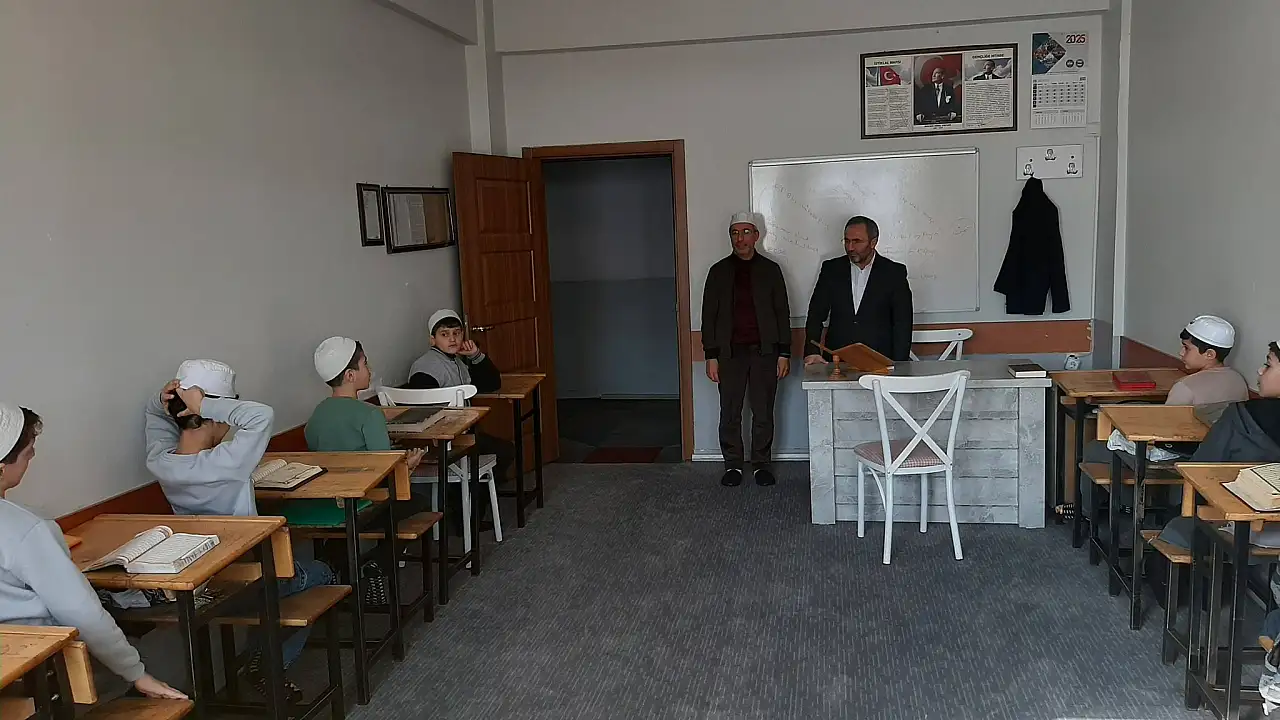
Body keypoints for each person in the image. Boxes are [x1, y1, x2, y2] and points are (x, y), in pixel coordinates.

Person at [143, 360, 337, 703]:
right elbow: (261, 415)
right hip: (251, 578)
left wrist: (165, 401)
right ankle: (269, 664)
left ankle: (259, 656)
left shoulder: (161, 462)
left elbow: (154, 418)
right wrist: (204, 404)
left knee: (282, 582)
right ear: (214, 415)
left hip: (207, 580)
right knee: (324, 573)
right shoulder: (227, 463)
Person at [0, 402, 186, 701]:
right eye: (28, 453)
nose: (32, 458)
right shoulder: (25, 528)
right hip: (39, 672)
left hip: (11, 671)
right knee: (170, 653)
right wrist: (137, 673)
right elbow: (80, 611)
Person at [700, 212, 791, 487]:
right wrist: (711, 355)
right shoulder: (718, 272)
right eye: (735, 233)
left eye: (746, 232)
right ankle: (733, 465)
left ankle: (761, 464)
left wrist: (784, 353)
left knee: (763, 411)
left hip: (765, 352)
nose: (740, 239)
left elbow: (781, 313)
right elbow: (708, 317)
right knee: (730, 412)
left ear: (756, 236)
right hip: (729, 354)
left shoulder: (771, 270)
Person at [405, 309, 515, 523]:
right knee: (501, 451)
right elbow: (422, 408)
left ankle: (470, 504)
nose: (452, 339)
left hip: (459, 435)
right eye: (444, 334)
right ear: (432, 339)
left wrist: (475, 355)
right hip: (443, 439)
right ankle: (467, 511)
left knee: (504, 450)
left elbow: (492, 384)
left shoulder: (457, 362)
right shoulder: (425, 367)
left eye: (457, 333)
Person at [304, 337, 424, 525]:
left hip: (327, 503)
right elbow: (385, 471)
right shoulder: (370, 414)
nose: (370, 369)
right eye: (365, 364)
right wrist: (407, 466)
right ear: (350, 375)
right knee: (421, 501)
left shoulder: (316, 415)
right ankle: (381, 546)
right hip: (363, 503)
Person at [804, 216, 913, 365]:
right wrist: (812, 351)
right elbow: (816, 314)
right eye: (847, 241)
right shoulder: (831, 269)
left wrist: (899, 366)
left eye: (857, 241)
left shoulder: (894, 273)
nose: (850, 247)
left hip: (880, 362)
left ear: (873, 242)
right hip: (837, 361)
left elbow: (903, 323)